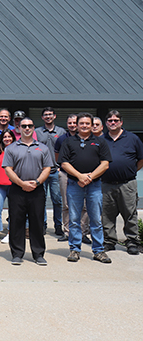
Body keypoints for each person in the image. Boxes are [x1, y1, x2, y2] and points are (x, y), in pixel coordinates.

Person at [58, 112, 112, 264]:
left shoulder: (100, 142)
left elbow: (105, 163)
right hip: (75, 185)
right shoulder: (68, 142)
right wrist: (80, 176)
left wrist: (89, 177)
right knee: (74, 218)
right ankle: (75, 249)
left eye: (87, 123)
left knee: (95, 219)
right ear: (77, 125)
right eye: (81, 123)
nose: (84, 126)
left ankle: (99, 251)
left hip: (94, 185)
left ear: (92, 125)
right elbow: (64, 163)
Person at [2, 117, 52, 265]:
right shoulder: (11, 148)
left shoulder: (43, 148)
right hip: (17, 190)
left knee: (37, 222)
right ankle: (17, 254)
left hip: (37, 190)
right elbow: (8, 169)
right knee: (16, 222)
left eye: (30, 125)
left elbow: (47, 168)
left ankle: (38, 254)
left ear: (33, 127)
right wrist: (21, 183)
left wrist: (36, 183)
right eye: (24, 126)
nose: (27, 128)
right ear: (19, 128)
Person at [101, 110, 143, 255]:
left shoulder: (132, 138)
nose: (113, 123)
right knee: (106, 214)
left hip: (127, 184)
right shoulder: (101, 139)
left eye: (116, 120)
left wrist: (130, 171)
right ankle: (109, 241)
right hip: (106, 184)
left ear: (121, 122)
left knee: (130, 213)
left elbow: (141, 159)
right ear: (106, 123)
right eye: (110, 120)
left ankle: (132, 241)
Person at [54, 114, 90, 243]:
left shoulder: (86, 138)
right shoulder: (61, 139)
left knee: (85, 205)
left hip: (84, 175)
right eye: (70, 123)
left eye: (75, 123)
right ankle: (68, 232)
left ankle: (83, 232)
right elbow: (57, 156)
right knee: (66, 204)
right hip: (65, 174)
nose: (72, 125)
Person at [35, 107, 66, 236]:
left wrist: (61, 166)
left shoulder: (61, 131)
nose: (48, 117)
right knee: (40, 200)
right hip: (41, 172)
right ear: (42, 117)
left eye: (50, 114)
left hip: (55, 171)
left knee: (57, 200)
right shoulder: (36, 131)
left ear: (54, 116)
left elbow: (64, 149)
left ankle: (58, 225)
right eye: (45, 115)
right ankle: (42, 225)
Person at [0, 129, 16, 243]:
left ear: (13, 138)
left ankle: (10, 233)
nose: (7, 139)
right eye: (5, 137)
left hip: (13, 185)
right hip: (0, 185)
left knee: (13, 210)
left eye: (9, 137)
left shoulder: (17, 151)